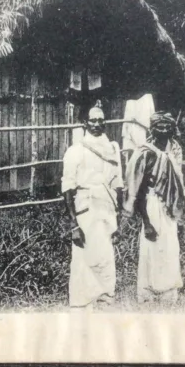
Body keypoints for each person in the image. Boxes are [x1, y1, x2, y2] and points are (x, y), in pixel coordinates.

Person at [61, 103, 124, 310]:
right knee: (84, 255)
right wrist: (73, 224)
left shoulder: (112, 148)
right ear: (85, 123)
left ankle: (105, 297)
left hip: (107, 207)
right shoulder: (75, 150)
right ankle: (83, 300)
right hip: (85, 207)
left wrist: (119, 215)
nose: (97, 124)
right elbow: (68, 187)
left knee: (105, 254)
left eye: (100, 120)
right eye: (93, 120)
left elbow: (118, 183)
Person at [122, 111, 185, 304]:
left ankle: (168, 292)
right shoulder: (145, 152)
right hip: (151, 204)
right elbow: (139, 189)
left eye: (168, 126)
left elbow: (179, 182)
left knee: (170, 246)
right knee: (151, 247)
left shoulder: (175, 150)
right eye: (159, 126)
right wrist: (147, 222)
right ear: (152, 129)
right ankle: (148, 293)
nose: (164, 130)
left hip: (170, 206)